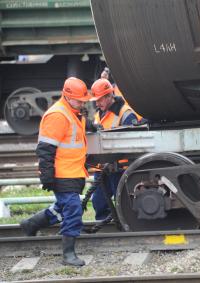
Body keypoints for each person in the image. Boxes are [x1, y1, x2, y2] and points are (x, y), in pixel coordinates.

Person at [20, 77, 91, 267]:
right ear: (67, 96)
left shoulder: (74, 112)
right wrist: (47, 175)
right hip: (62, 173)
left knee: (62, 207)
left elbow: (76, 135)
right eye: (79, 100)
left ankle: (31, 224)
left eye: (84, 100)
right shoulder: (58, 116)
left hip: (74, 171)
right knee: (73, 210)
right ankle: (68, 254)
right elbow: (45, 149)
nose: (83, 102)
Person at [89, 78, 139, 220]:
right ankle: (105, 226)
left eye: (100, 99)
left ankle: (126, 225)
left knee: (124, 203)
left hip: (120, 169)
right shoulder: (99, 114)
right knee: (98, 202)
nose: (97, 103)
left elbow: (133, 144)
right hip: (102, 168)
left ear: (110, 96)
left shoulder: (125, 113)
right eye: (96, 100)